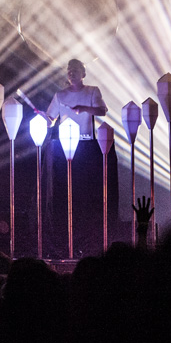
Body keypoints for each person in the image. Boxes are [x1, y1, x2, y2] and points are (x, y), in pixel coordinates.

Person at [45, 59, 117, 257]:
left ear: (83, 74)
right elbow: (51, 119)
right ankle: (65, 242)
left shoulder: (92, 91)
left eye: (75, 70)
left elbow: (103, 110)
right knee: (65, 194)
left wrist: (83, 108)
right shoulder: (60, 95)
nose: (72, 73)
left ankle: (88, 242)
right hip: (66, 147)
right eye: (69, 70)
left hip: (86, 146)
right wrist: (45, 120)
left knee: (85, 195)